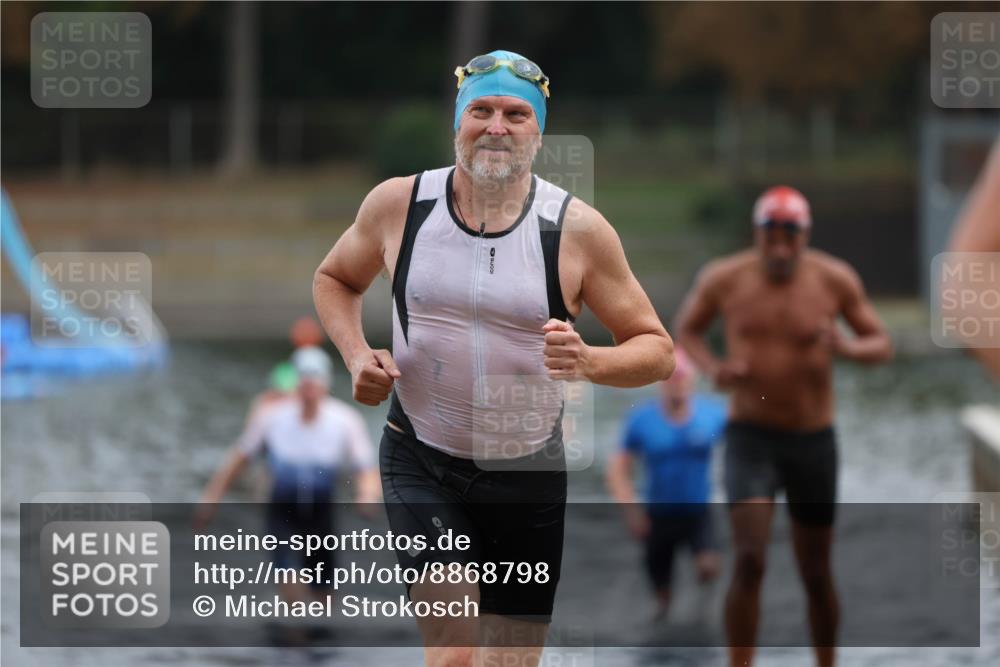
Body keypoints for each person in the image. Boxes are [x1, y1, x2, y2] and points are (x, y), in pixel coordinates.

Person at [313, 49, 673, 667]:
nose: (496, 127)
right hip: (419, 456)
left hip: (526, 472)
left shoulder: (577, 231)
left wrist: (588, 361)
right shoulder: (400, 205)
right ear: (458, 121)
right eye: (480, 110)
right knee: (454, 654)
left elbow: (657, 351)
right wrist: (354, 356)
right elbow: (334, 279)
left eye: (515, 113)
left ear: (538, 132)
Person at [674, 185, 893, 667]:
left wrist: (845, 346)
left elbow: (881, 344)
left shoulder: (834, 279)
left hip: (813, 441)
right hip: (750, 439)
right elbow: (685, 330)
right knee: (750, 560)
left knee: (815, 570)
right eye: (770, 236)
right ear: (756, 234)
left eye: (789, 237)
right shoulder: (724, 278)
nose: (779, 248)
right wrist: (714, 368)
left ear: (805, 235)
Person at [198, 349, 381, 606]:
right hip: (282, 512)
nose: (308, 388)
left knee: (324, 594)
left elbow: (365, 467)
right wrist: (211, 498)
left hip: (321, 514)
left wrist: (367, 495)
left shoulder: (344, 420)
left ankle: (319, 640)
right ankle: (291, 638)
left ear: (325, 383)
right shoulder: (272, 416)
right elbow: (239, 458)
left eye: (314, 381)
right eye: (303, 381)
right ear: (295, 382)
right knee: (290, 581)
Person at [606, 349, 726, 622]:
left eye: (683, 379)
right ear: (662, 383)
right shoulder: (643, 420)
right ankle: (665, 613)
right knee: (662, 595)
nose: (678, 385)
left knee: (708, 566)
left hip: (698, 512)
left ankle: (703, 608)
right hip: (657, 516)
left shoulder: (712, 416)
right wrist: (631, 510)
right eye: (673, 380)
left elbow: (744, 447)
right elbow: (618, 470)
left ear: (692, 382)